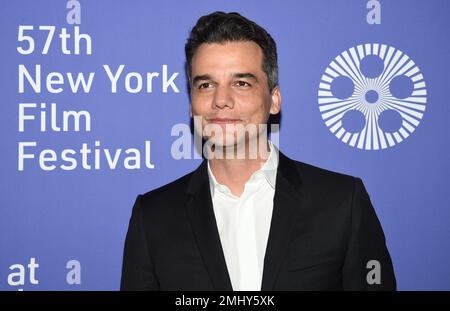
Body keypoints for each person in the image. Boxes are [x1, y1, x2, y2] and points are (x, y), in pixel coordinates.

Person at [120, 11, 396, 291]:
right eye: (206, 85)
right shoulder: (153, 217)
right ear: (191, 104)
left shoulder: (341, 203)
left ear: (274, 100)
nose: (221, 100)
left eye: (241, 83)